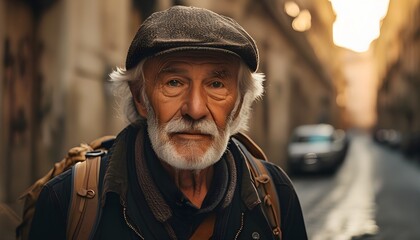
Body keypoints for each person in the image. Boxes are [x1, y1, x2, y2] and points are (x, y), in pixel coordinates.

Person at [28, 5, 307, 240]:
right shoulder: (64, 203)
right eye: (173, 82)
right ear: (140, 98)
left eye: (216, 84)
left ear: (238, 104)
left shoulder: (276, 195)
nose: (195, 109)